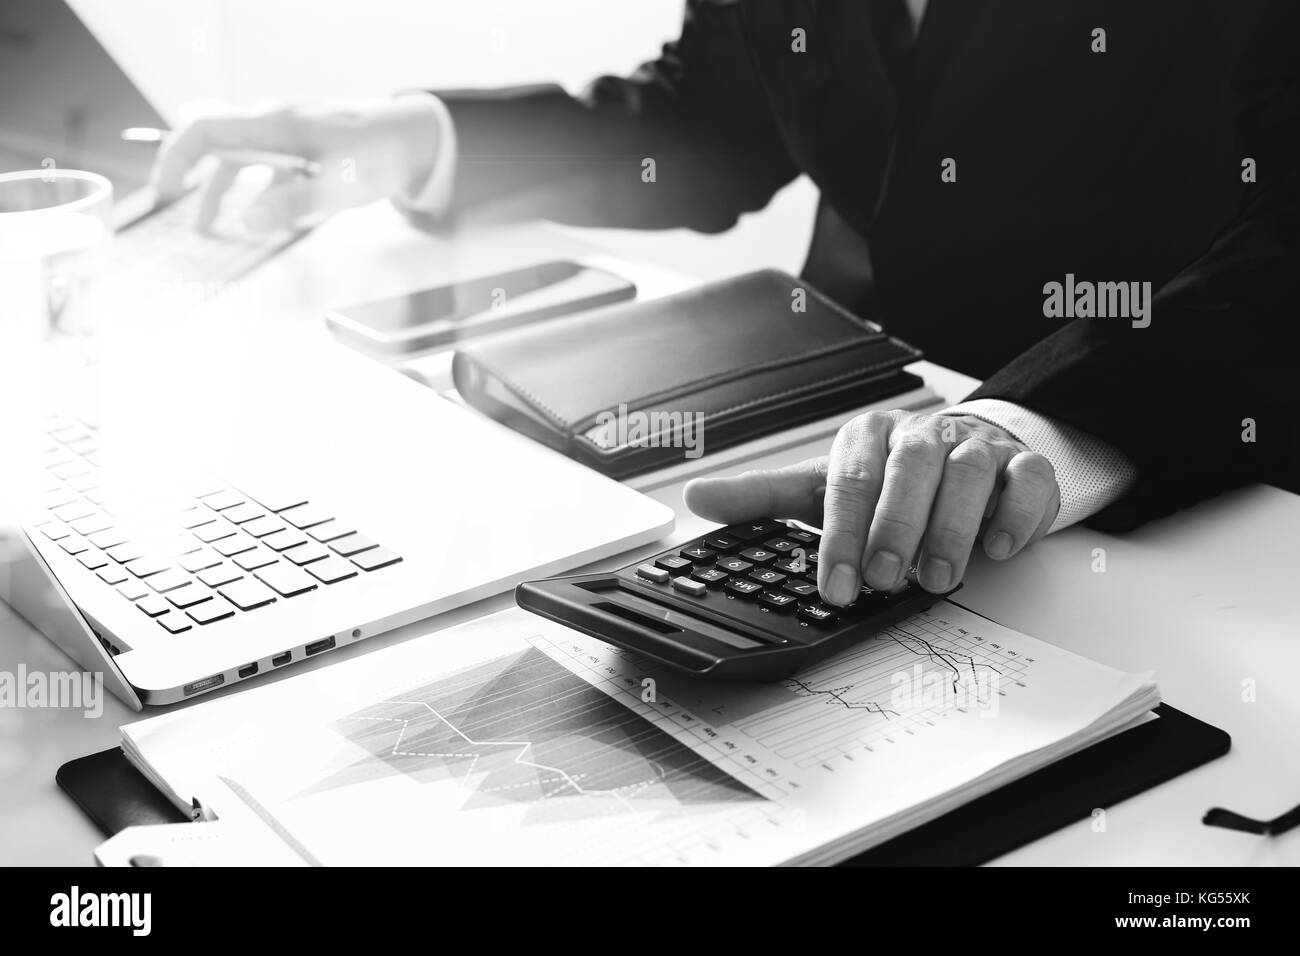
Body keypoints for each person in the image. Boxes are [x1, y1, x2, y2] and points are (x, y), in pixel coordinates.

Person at [152, 0, 1297, 607]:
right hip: (843, 424)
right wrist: (405, 143)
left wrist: (1036, 423)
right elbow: (717, 121)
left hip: (1185, 465)